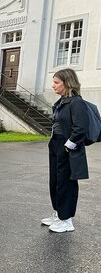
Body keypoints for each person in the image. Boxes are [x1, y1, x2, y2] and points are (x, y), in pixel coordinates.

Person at [42, 68, 89, 233]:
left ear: (67, 83)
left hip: (67, 146)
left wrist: (69, 145)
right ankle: (58, 213)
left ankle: (67, 220)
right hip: (56, 143)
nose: (53, 86)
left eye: (56, 82)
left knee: (66, 182)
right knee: (55, 180)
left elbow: (81, 127)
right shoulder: (62, 101)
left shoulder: (76, 102)